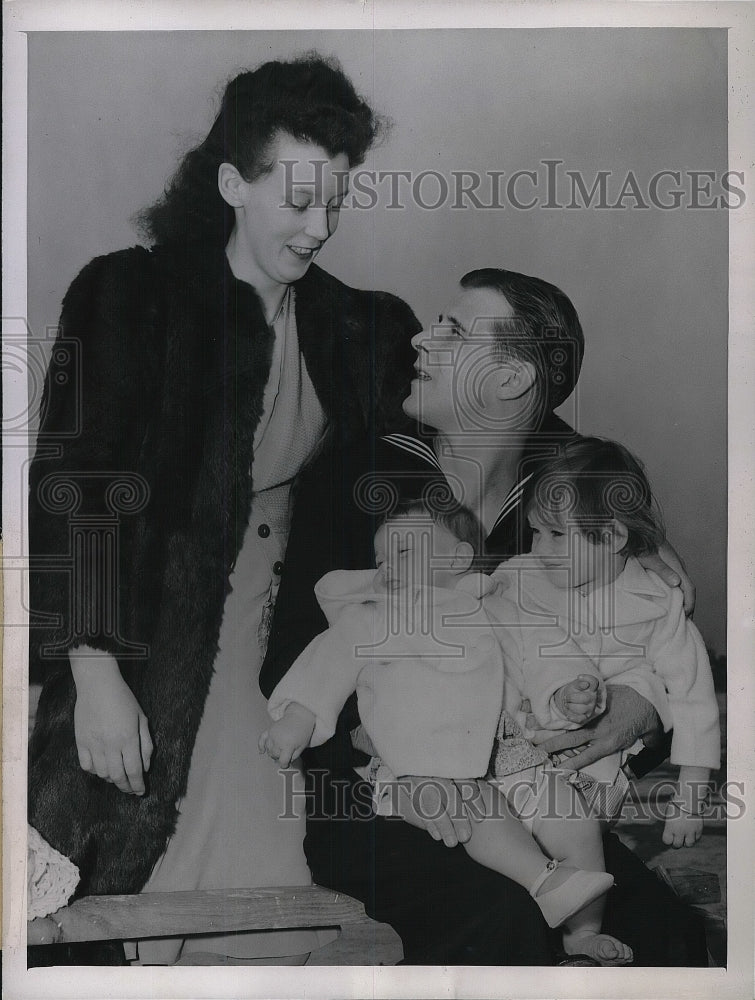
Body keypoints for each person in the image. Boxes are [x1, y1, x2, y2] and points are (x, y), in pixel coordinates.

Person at [27, 54, 419, 966]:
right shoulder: (129, 292)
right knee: (137, 884)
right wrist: (94, 676)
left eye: (337, 202)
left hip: (280, 645)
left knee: (281, 895)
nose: (319, 227)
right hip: (148, 638)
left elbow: (459, 441)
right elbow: (77, 482)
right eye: (296, 199)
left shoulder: (358, 324)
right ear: (232, 182)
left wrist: (609, 528)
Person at [261, 267, 709, 965]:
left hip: (531, 795)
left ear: (507, 381)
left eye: (453, 330)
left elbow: (646, 657)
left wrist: (639, 708)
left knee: (662, 934)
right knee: (504, 919)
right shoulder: (357, 478)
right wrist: (409, 779)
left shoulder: (570, 506)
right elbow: (293, 658)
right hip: (387, 798)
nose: (419, 337)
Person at [260, 498, 633, 964]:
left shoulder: (501, 608)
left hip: (515, 759)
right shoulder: (374, 616)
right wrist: (298, 718)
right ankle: (543, 879)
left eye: (402, 554)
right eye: (380, 560)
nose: (386, 568)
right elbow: (325, 666)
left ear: (456, 559)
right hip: (426, 772)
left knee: (572, 814)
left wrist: (566, 691)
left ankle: (583, 930)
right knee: (480, 811)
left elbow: (545, 652)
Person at [493, 435, 720, 848]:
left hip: (593, 773)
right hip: (511, 753)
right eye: (535, 532)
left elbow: (694, 699)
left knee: (573, 842)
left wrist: (689, 800)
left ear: (613, 538)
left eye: (557, 534)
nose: (539, 548)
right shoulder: (517, 579)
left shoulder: (657, 605)